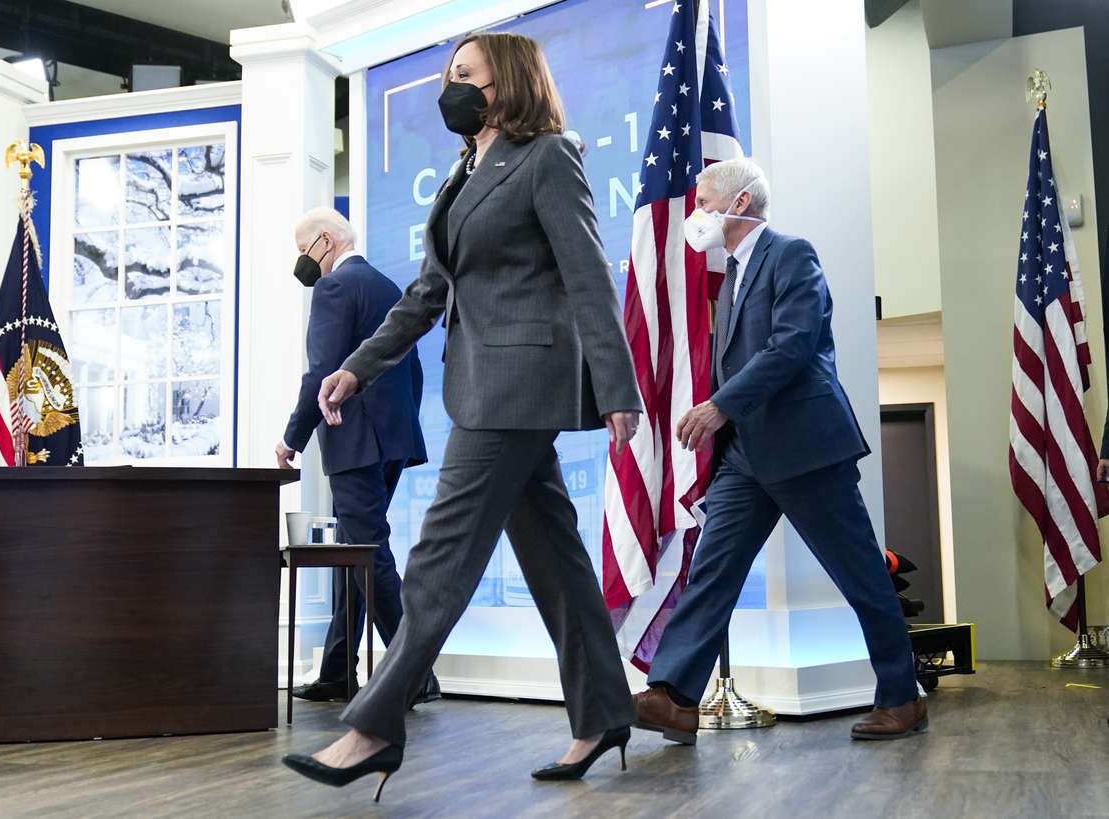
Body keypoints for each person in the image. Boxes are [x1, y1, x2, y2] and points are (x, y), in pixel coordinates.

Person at [280, 32, 643, 800]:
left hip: (519, 384)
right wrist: (355, 366)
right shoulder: (462, 174)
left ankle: (375, 725)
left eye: (465, 75)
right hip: (480, 384)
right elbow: (424, 295)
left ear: (506, 82)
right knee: (555, 558)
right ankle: (606, 711)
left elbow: (588, 277)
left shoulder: (547, 156)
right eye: (449, 76)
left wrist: (617, 388)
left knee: (439, 554)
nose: (452, 88)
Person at [631, 158, 927, 745]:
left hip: (805, 448)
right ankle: (675, 696)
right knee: (712, 571)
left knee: (862, 574)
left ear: (739, 204)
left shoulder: (791, 254)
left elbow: (791, 347)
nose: (696, 214)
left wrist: (720, 406)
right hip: (746, 456)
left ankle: (901, 697)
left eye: (705, 202)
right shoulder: (735, 272)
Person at [276, 207, 439, 706]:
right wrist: (402, 433)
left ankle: (415, 674)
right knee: (355, 549)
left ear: (325, 241)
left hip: (354, 440)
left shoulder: (333, 288)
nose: (303, 261)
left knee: (368, 553)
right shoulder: (389, 287)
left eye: (304, 250)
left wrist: (292, 438)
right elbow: (412, 374)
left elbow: (322, 372)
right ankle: (336, 670)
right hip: (393, 441)